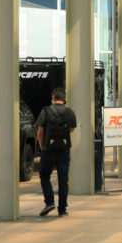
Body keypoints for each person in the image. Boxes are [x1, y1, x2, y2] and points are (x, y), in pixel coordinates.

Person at [36, 88, 77, 217]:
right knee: (63, 180)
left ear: (53, 97)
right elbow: (71, 130)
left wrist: (43, 147)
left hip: (48, 149)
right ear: (64, 100)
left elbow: (40, 132)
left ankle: (49, 202)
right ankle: (62, 209)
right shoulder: (70, 112)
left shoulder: (45, 111)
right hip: (64, 150)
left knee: (44, 176)